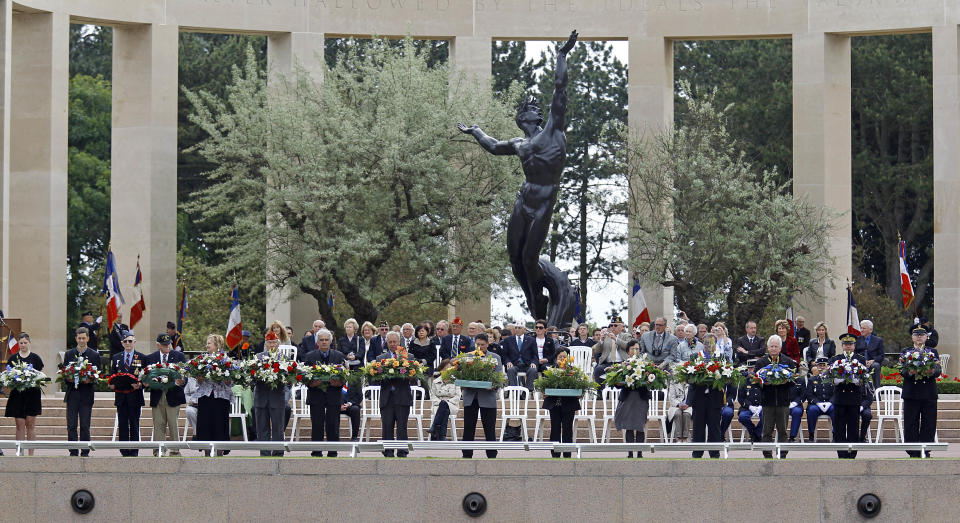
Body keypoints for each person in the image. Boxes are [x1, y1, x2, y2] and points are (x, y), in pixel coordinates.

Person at [458, 30, 580, 328]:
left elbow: (560, 90)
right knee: (514, 259)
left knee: (529, 258)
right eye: (529, 110)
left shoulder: (553, 131)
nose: (533, 111)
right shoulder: (518, 143)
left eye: (535, 110)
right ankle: (535, 303)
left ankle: (544, 306)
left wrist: (561, 56)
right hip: (523, 201)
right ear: (522, 119)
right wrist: (476, 131)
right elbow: (493, 146)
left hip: (543, 202)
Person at [302, 328, 346, 457]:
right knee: (317, 424)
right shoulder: (310, 356)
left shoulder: (339, 355)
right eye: (321, 340)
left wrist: (339, 382)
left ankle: (333, 450)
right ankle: (316, 450)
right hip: (316, 394)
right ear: (317, 342)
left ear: (330, 342)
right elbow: (304, 376)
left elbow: (344, 376)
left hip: (334, 394)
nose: (324, 342)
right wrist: (310, 383)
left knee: (333, 423)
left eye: (327, 340)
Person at [460, 333, 504, 458]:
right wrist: (463, 382)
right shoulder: (468, 356)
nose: (479, 347)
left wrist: (494, 385)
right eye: (477, 344)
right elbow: (462, 374)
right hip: (470, 396)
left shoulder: (495, 357)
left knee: (489, 427)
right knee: (469, 427)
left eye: (482, 345)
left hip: (487, 397)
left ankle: (491, 454)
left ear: (487, 344)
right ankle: (466, 454)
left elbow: (499, 377)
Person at [144, 333, 187, 457]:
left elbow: (185, 375)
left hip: (173, 395)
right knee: (158, 424)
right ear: (158, 345)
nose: (167, 346)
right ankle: (158, 450)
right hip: (157, 395)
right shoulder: (150, 358)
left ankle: (174, 450)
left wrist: (182, 382)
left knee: (173, 423)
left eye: (168, 344)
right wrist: (145, 382)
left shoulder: (179, 356)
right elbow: (145, 376)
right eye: (164, 345)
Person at [754, 334, 797, 458]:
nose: (773, 349)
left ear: (780, 348)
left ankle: (783, 454)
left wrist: (786, 381)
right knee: (767, 430)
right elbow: (755, 382)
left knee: (783, 430)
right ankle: (767, 453)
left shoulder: (788, 361)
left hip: (783, 401)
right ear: (768, 348)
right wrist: (764, 383)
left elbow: (794, 382)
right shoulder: (761, 362)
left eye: (776, 346)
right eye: (771, 346)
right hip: (768, 401)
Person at [901, 326, 940, 458]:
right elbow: (903, 371)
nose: (919, 337)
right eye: (916, 334)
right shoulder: (906, 351)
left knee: (929, 422)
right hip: (912, 393)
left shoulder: (932, 351)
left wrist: (931, 371)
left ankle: (925, 449)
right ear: (912, 337)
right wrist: (912, 372)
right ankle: (913, 450)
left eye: (922, 334)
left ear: (926, 337)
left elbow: (938, 370)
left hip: (928, 392)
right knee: (911, 422)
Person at [3, 333, 44, 455]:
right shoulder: (13, 358)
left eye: (25, 343)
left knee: (30, 424)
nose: (23, 345)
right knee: (19, 424)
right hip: (18, 396)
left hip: (32, 395)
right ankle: (20, 452)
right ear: (18, 344)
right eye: (21, 343)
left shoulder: (35, 358)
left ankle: (31, 454)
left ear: (29, 343)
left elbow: (40, 375)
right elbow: (8, 376)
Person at [686, 333, 725, 458]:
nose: (709, 345)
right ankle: (697, 452)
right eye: (707, 343)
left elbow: (727, 377)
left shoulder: (721, 358)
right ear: (703, 343)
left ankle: (714, 453)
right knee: (698, 427)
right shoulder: (695, 357)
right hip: (699, 396)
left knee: (714, 427)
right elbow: (689, 378)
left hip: (715, 397)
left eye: (712, 343)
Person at [829, 333, 868, 458]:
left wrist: (857, 380)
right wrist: (838, 380)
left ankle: (852, 453)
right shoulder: (836, 359)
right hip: (840, 397)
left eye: (850, 344)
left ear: (854, 345)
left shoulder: (860, 359)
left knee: (853, 427)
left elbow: (864, 378)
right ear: (842, 346)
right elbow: (831, 378)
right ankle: (841, 453)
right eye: (846, 344)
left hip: (854, 398)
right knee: (839, 428)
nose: (848, 347)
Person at [253, 331, 290, 456]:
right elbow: (251, 377)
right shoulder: (258, 357)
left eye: (274, 342)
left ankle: (278, 452)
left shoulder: (284, 359)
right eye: (269, 343)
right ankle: (264, 452)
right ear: (266, 344)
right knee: (262, 427)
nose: (272, 345)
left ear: (278, 344)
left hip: (277, 397)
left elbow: (288, 378)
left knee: (278, 427)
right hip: (261, 396)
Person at [610, 339, 649, 458]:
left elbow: (652, 380)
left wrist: (647, 381)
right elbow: (616, 383)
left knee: (640, 425)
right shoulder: (623, 365)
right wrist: (620, 383)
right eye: (633, 349)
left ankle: (640, 453)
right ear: (628, 351)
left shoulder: (646, 365)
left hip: (641, 397)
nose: (635, 351)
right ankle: (630, 453)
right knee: (629, 426)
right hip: (627, 397)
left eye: (637, 349)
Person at [378, 331, 414, 457]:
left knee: (402, 425)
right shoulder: (380, 359)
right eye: (390, 342)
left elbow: (413, 377)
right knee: (387, 425)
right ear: (387, 343)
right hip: (387, 397)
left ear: (400, 342)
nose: (392, 344)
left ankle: (402, 450)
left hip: (402, 396)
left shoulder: (409, 357)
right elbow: (376, 379)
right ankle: (388, 450)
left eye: (395, 342)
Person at [196, 334, 233, 456]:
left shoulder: (226, 360)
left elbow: (231, 382)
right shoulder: (202, 360)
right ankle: (206, 450)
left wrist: (227, 378)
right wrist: (199, 377)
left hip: (221, 397)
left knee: (219, 423)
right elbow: (199, 381)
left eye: (209, 343)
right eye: (207, 343)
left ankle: (220, 450)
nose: (207, 345)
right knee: (205, 423)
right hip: (205, 396)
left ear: (217, 345)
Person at [110, 330, 145, 456]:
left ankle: (135, 450)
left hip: (135, 396)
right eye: (125, 341)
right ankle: (124, 449)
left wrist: (141, 384)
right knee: (123, 424)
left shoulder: (142, 357)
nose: (128, 343)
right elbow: (112, 375)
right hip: (121, 396)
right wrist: (111, 383)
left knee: (134, 424)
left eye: (130, 341)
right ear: (122, 343)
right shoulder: (116, 357)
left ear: (134, 342)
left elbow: (145, 377)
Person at [543, 353, 581, 459]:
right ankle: (555, 454)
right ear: (556, 358)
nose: (562, 359)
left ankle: (567, 454)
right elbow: (544, 385)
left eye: (564, 357)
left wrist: (579, 392)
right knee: (555, 428)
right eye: (560, 357)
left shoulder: (573, 370)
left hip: (569, 404)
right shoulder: (550, 370)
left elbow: (579, 386)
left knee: (567, 429)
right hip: (554, 404)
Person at [520, 319, 557, 390]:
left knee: (546, 368)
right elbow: (526, 353)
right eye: (536, 327)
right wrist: (534, 361)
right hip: (532, 362)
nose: (538, 329)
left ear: (545, 329)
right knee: (531, 369)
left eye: (541, 328)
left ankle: (546, 389)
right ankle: (528, 390)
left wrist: (546, 359)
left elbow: (553, 354)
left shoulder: (550, 341)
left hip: (545, 363)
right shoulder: (529, 339)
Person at [428, 358, 460, 441]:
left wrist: (446, 402)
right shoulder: (435, 382)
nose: (447, 371)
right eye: (445, 369)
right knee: (444, 410)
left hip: (452, 405)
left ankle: (434, 428)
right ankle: (442, 436)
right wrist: (441, 403)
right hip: (438, 405)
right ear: (441, 370)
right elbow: (433, 396)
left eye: (450, 369)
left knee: (445, 406)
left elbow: (457, 396)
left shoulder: (456, 381)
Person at [804, 357, 834, 442]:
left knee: (836, 410)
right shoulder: (812, 380)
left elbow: (836, 394)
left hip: (829, 405)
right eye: (820, 365)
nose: (822, 367)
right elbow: (809, 394)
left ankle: (836, 434)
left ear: (827, 366)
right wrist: (817, 403)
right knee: (812, 410)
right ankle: (811, 434)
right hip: (816, 405)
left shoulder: (832, 379)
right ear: (816, 367)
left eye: (824, 365)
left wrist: (830, 402)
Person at [855, 319, 885, 389]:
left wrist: (873, 360)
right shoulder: (857, 340)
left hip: (872, 363)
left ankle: (877, 392)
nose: (861, 330)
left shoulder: (878, 340)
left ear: (870, 330)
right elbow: (855, 354)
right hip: (860, 363)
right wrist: (862, 361)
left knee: (876, 366)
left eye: (864, 328)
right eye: (861, 328)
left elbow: (881, 355)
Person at [736, 374, 763, 443]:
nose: (752, 370)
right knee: (742, 417)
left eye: (753, 368)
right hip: (747, 407)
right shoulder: (744, 382)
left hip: (761, 407)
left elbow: (767, 395)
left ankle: (756, 434)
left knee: (767, 416)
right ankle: (755, 434)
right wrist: (750, 406)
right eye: (750, 368)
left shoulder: (762, 381)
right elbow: (741, 398)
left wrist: (761, 405)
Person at [498, 322, 524, 387]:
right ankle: (513, 390)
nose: (517, 330)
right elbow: (504, 355)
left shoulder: (523, 340)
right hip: (509, 364)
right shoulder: (502, 343)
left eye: (510, 330)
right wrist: (508, 362)